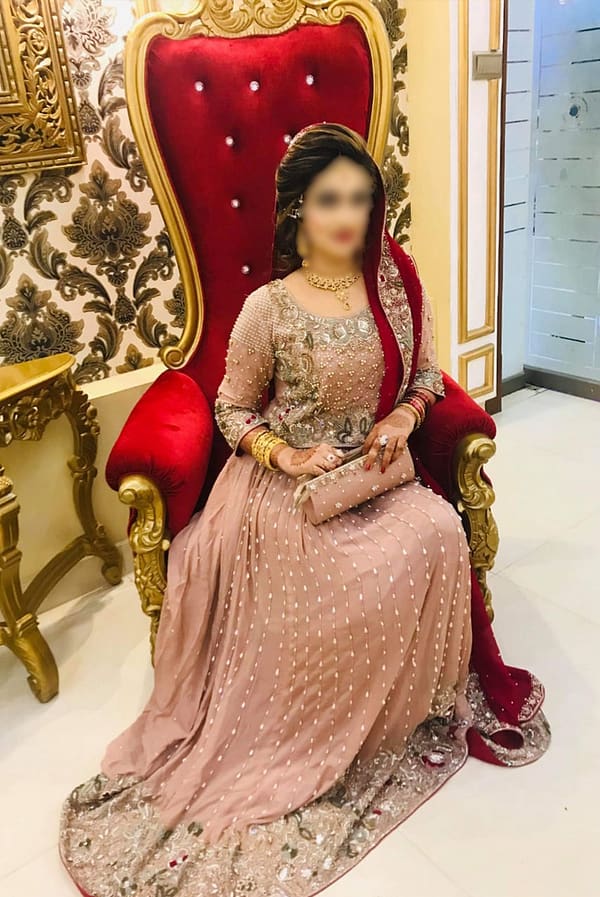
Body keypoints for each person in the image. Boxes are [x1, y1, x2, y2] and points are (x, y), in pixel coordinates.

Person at [59, 123, 550, 897]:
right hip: (283, 487)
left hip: (373, 476)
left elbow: (427, 376)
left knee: (436, 529)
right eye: (329, 200)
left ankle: (399, 712)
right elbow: (230, 407)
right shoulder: (270, 307)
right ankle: (311, 727)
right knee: (326, 580)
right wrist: (286, 457)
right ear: (297, 210)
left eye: (359, 199)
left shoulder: (393, 287)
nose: (347, 216)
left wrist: (403, 418)